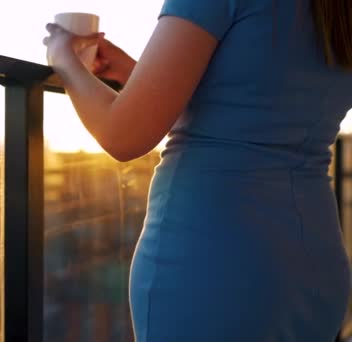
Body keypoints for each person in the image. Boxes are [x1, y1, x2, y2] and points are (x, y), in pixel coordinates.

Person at [43, 0, 352, 340]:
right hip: (314, 261)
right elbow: (250, 106)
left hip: (213, 260)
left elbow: (124, 136)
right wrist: (139, 73)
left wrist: (65, 59)